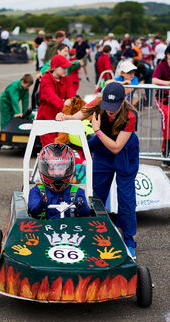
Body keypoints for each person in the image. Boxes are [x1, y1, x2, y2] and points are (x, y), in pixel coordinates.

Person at [55, 82, 139, 259]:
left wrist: (98, 131)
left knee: (126, 199)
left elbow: (116, 147)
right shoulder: (97, 103)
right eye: (107, 107)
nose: (110, 111)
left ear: (123, 101)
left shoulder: (130, 116)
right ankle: (92, 233)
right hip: (103, 150)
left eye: (114, 108)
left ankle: (129, 242)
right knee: (96, 196)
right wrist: (63, 116)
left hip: (124, 152)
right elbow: (78, 116)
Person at [28, 143, 91, 220]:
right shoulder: (37, 191)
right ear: (44, 169)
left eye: (61, 169)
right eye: (52, 169)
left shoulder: (77, 192)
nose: (57, 173)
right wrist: (41, 204)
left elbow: (87, 213)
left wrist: (81, 205)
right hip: (43, 230)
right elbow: (32, 210)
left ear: (69, 169)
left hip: (71, 230)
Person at [37, 55, 75, 147]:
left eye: (66, 68)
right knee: (50, 147)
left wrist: (70, 104)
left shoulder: (67, 79)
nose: (66, 70)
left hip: (62, 117)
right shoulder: (45, 79)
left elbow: (71, 97)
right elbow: (51, 96)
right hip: (46, 118)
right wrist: (64, 104)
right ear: (54, 68)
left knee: (63, 146)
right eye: (63, 68)